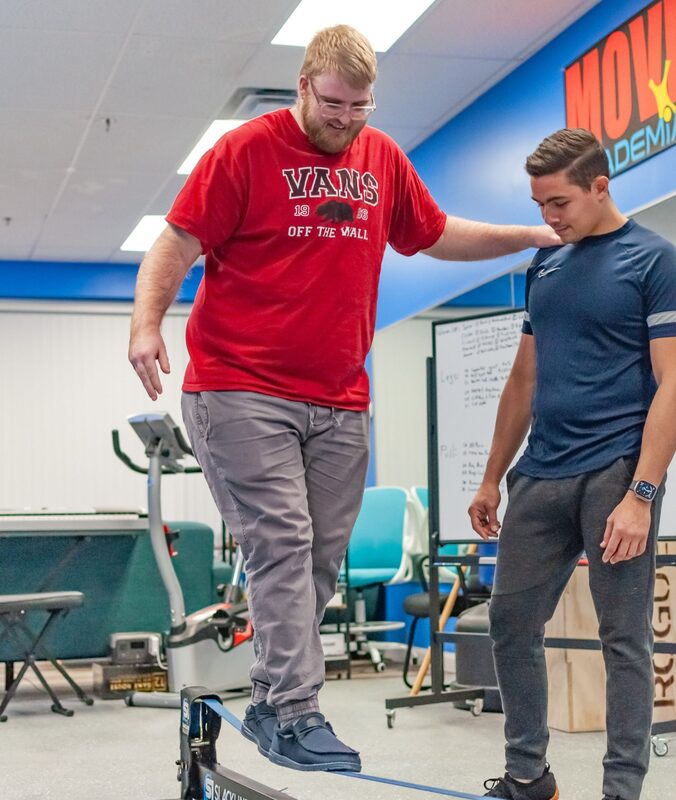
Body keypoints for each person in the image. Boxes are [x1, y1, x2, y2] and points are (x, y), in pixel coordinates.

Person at [129, 24, 557, 774]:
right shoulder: (244, 152)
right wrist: (145, 324)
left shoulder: (381, 157)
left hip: (339, 399)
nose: (346, 119)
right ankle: (295, 711)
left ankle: (271, 700)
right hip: (240, 387)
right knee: (283, 542)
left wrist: (531, 236)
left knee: (321, 559)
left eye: (360, 107)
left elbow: (436, 234)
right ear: (303, 85)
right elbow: (177, 242)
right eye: (333, 104)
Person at [469, 128, 676, 800]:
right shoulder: (546, 265)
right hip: (540, 473)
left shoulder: (654, 260)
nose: (548, 217)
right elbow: (523, 379)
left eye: (558, 202)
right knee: (510, 622)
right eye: (539, 205)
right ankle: (528, 776)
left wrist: (642, 493)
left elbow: (673, 381)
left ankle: (622, 789)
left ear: (600, 186)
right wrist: (491, 476)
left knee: (623, 639)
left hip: (614, 473)